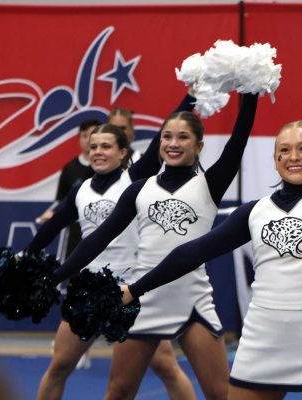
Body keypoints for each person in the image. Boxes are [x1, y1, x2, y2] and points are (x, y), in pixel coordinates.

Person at [89, 79, 302, 400]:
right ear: (274, 160)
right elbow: (191, 253)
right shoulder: (254, 212)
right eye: (283, 150)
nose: (293, 157)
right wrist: (135, 289)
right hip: (263, 338)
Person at [52, 92, 260, 400]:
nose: (173, 143)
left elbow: (237, 142)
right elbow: (98, 238)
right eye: (166, 137)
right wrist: (55, 276)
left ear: (199, 145)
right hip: (142, 298)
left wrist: (251, 93)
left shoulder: (209, 185)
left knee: (220, 394)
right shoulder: (139, 189)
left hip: (193, 300)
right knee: (119, 392)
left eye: (183, 137)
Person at [27, 93, 198, 400]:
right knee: (59, 366)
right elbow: (52, 226)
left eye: (106, 146)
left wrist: (190, 98)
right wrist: (24, 257)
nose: (98, 152)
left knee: (165, 367)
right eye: (93, 146)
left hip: (129, 289)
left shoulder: (133, 180)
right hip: (88, 289)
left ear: (123, 153)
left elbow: (162, 133)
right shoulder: (80, 189)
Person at [36, 119, 99, 256]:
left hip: (102, 232)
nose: (89, 140)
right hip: (76, 233)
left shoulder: (109, 170)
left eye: (93, 136)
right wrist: (54, 213)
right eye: (85, 135)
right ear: (79, 138)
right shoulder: (69, 169)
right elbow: (62, 201)